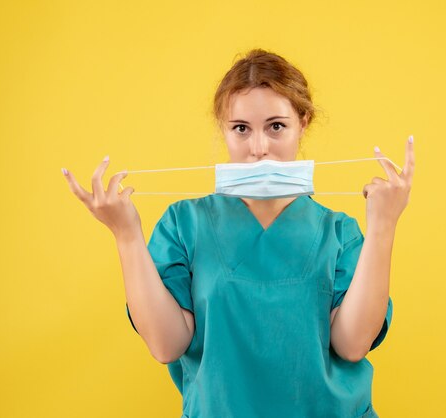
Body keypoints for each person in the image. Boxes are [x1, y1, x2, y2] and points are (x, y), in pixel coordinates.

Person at [62, 48, 414, 418]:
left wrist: (384, 226)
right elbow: (166, 346)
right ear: (224, 129)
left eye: (276, 126)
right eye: (241, 129)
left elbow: (353, 344)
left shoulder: (340, 232)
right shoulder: (184, 223)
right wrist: (126, 234)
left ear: (303, 122)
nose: (259, 149)